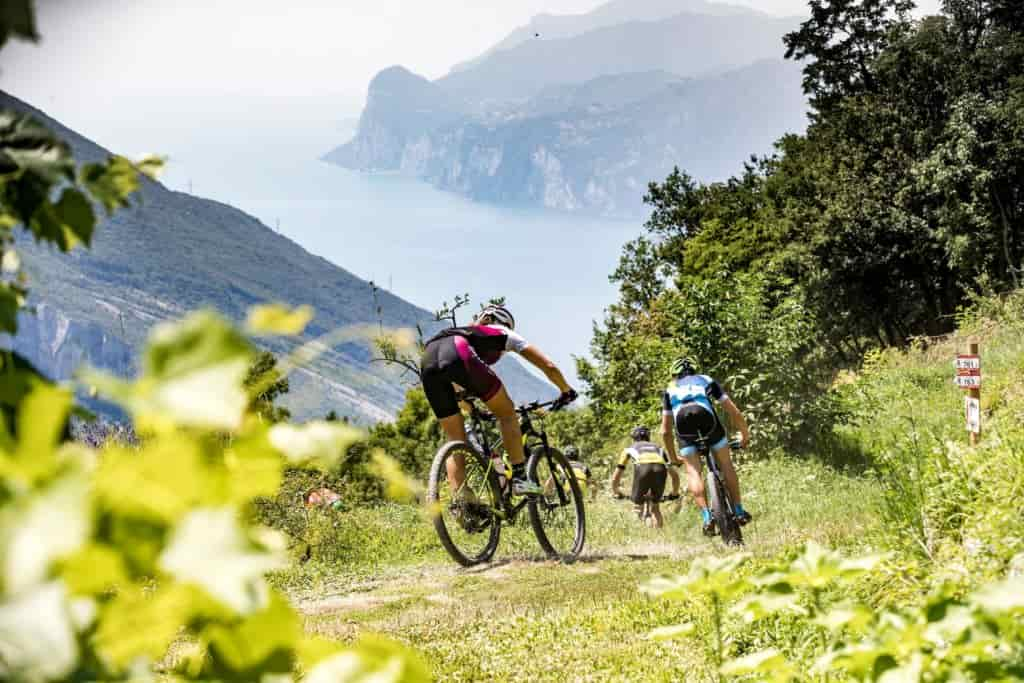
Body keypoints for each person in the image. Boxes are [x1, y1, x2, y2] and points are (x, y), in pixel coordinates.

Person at [420, 304, 577, 496]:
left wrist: (472, 408)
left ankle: (462, 499)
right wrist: (565, 389)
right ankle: (520, 478)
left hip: (427, 359)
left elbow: (456, 388)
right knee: (507, 414)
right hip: (458, 352)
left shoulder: (463, 332)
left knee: (455, 439)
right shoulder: (503, 332)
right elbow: (548, 366)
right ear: (501, 322)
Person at [661, 357, 752, 536]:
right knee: (726, 464)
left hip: (683, 425)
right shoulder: (706, 379)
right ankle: (739, 511)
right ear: (695, 370)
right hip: (706, 418)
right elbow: (732, 410)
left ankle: (706, 517)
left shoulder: (669, 389)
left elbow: (664, 431)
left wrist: (672, 457)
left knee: (693, 471)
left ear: (674, 374)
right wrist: (744, 435)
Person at [611, 426, 670, 529]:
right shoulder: (659, 448)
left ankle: (638, 533)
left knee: (637, 506)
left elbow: (617, 475)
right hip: (660, 470)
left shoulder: (629, 449)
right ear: (648, 437)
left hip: (642, 470)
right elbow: (674, 474)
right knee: (655, 507)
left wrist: (616, 491)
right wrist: (674, 492)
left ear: (634, 438)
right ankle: (659, 537)